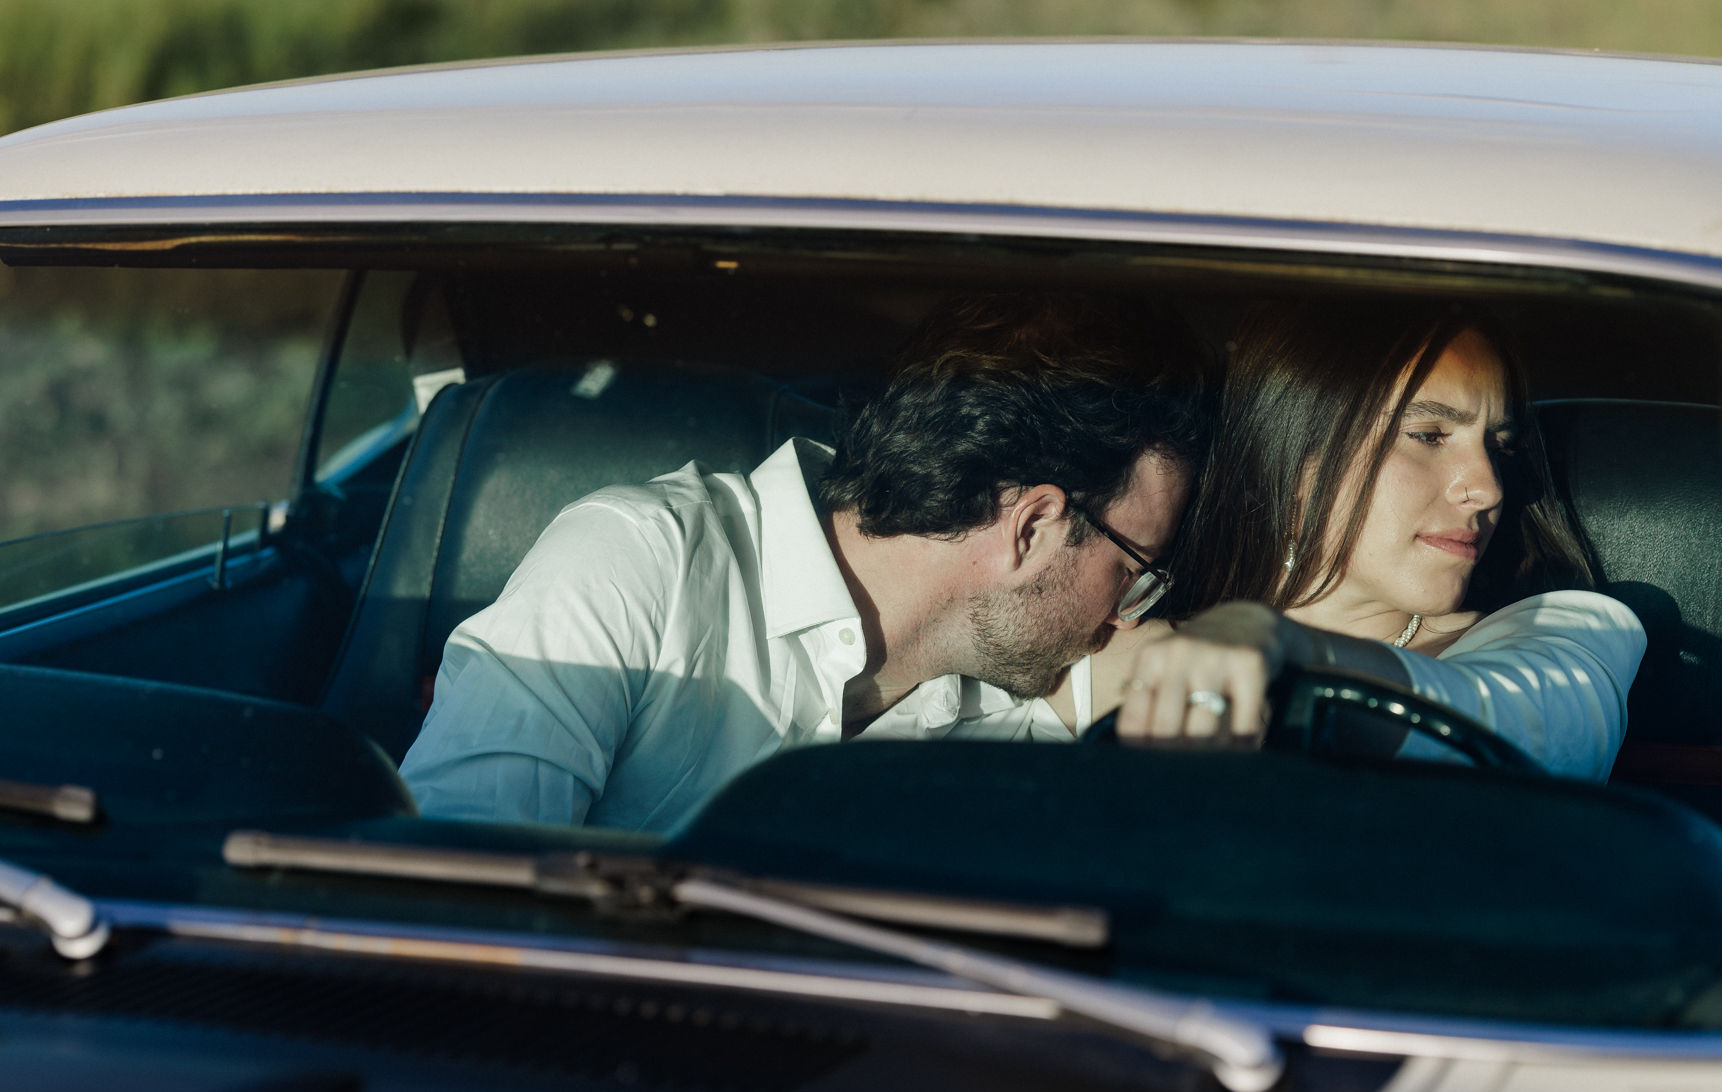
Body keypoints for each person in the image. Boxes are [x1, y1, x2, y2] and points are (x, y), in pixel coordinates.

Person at [400, 293, 1208, 832]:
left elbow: (1209, 671)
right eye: (1134, 568)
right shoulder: (640, 565)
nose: (1121, 613)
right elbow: (444, 898)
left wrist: (1251, 633)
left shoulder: (1007, 705)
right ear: (1030, 527)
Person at [1059, 297, 1643, 781]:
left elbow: (1534, 732)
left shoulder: (1562, 637)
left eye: (1499, 445)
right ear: (1290, 455)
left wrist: (1292, 653)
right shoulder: (1104, 651)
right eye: (1428, 434)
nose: (1488, 487)